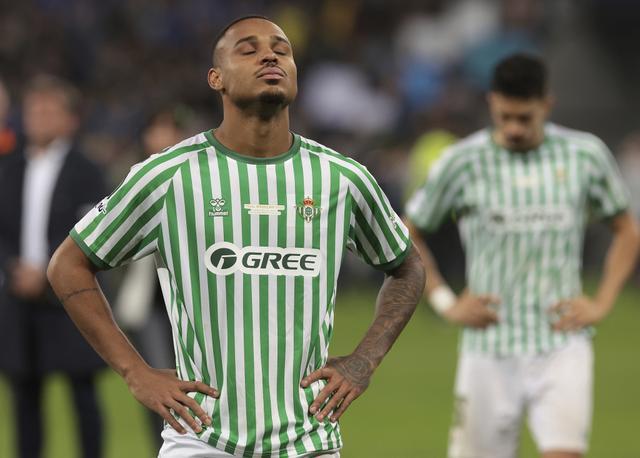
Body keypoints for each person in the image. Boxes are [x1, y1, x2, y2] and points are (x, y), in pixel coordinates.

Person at [47, 15, 425, 458]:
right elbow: (68, 264)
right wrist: (135, 372)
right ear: (216, 78)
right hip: (202, 439)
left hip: (310, 441)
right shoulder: (168, 176)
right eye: (249, 50)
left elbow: (407, 266)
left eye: (281, 50)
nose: (270, 56)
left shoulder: (341, 178)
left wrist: (364, 360)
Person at [405, 53, 640, 458]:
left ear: (547, 104)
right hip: (488, 344)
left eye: (525, 118)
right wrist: (445, 301)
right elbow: (408, 233)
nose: (514, 128)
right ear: (491, 103)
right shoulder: (462, 161)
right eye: (505, 117)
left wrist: (601, 303)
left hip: (562, 341)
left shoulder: (584, 155)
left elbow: (626, 230)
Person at [0, 75, 107, 458]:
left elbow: (91, 228)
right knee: (24, 395)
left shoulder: (87, 170)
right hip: (18, 296)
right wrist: (13, 268)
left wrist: (45, 269)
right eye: (34, 110)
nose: (40, 118)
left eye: (49, 110)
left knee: (82, 392)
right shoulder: (9, 167)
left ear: (70, 119)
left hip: (70, 295)